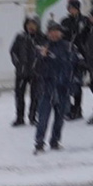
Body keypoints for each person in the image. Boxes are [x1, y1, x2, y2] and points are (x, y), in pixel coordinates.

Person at [34, 22, 80, 153]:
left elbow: (76, 65)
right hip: (47, 88)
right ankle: (39, 142)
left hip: (63, 88)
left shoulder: (68, 47)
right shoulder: (43, 47)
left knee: (60, 118)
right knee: (43, 117)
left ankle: (55, 141)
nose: (54, 34)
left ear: (61, 33)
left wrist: (74, 82)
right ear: (47, 33)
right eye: (51, 31)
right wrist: (41, 57)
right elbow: (36, 69)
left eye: (56, 31)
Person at [9, 16, 46, 127]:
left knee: (35, 95)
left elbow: (45, 53)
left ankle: (32, 116)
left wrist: (40, 65)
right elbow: (13, 51)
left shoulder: (42, 38)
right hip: (22, 72)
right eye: (28, 24)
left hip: (36, 72)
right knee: (19, 95)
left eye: (33, 24)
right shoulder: (20, 37)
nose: (30, 26)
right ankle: (19, 117)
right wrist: (18, 64)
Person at [61, 0, 89, 120]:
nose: (71, 10)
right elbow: (62, 37)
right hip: (68, 56)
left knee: (78, 83)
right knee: (66, 83)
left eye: (73, 8)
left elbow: (87, 38)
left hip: (80, 56)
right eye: (70, 8)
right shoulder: (65, 22)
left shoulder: (84, 21)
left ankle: (77, 108)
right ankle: (68, 108)